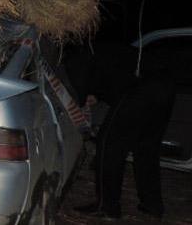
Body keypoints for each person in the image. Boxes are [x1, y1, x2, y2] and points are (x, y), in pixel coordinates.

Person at [68, 43, 176, 220]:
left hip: (139, 89)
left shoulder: (76, 59)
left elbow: (79, 93)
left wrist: (82, 97)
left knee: (108, 145)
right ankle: (152, 204)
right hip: (166, 87)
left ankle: (107, 206)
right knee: (146, 149)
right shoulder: (110, 53)